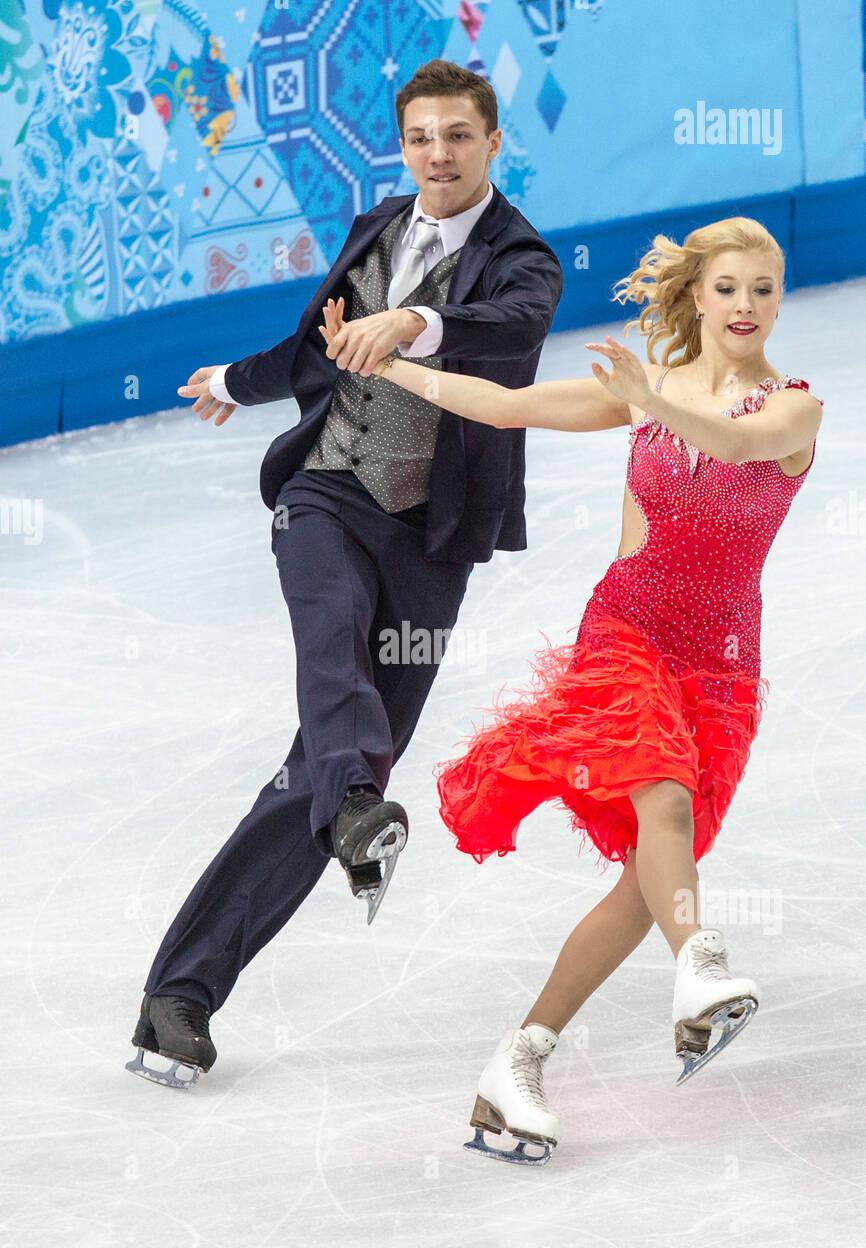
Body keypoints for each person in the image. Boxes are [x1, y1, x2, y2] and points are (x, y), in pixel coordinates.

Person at [319, 215, 822, 1162]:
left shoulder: (795, 410)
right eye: (727, 288)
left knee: (646, 883)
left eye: (763, 289)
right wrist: (393, 368)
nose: (746, 305)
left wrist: (651, 401)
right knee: (663, 801)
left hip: (721, 667)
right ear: (699, 295)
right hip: (628, 633)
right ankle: (701, 962)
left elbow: (733, 442)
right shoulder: (648, 391)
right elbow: (506, 405)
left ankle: (518, 1062)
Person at [126, 59, 563, 1088]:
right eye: (420, 138)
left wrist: (412, 323)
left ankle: (177, 996)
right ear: (401, 146)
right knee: (330, 650)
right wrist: (233, 380)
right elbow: (315, 348)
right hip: (324, 493)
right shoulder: (378, 226)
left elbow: (510, 328)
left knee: (314, 779)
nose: (437, 155)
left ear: (492, 144)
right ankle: (357, 799)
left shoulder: (521, 258)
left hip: (430, 538)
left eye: (457, 136)